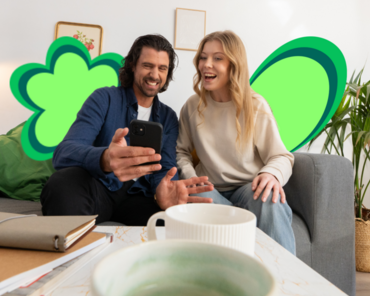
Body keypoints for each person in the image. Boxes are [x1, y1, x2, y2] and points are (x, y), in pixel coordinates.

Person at [41, 34, 214, 226]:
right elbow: (64, 153)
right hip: (99, 188)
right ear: (133, 65)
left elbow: (165, 167)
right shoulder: (104, 98)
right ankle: (74, 250)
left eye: (162, 68)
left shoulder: (168, 117)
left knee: (172, 222)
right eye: (148, 65)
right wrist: (105, 158)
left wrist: (163, 192)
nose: (155, 75)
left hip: (140, 197)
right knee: (61, 183)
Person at [176, 30, 296, 253]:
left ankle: (284, 282)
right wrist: (191, 178)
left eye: (217, 58)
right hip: (210, 187)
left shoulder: (256, 105)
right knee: (199, 195)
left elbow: (281, 156)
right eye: (203, 57)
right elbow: (181, 152)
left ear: (234, 64)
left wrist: (270, 174)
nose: (206, 64)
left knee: (269, 196)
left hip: (249, 188)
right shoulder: (192, 106)